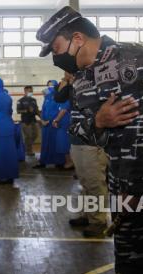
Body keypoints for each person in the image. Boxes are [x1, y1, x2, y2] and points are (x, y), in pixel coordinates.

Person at [37, 6, 143, 274]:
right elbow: (75, 129)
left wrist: (131, 192)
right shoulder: (82, 80)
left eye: (57, 49)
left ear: (78, 39)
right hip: (124, 184)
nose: (56, 58)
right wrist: (99, 121)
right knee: (132, 264)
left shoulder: (133, 58)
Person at [55, 72, 109, 237]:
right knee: (84, 182)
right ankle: (89, 215)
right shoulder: (74, 83)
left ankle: (98, 221)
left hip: (91, 139)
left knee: (94, 182)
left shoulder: (95, 78)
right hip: (77, 138)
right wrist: (66, 80)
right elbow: (59, 97)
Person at [33, 80, 66, 168]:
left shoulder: (58, 98)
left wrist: (50, 120)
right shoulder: (46, 99)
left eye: (51, 86)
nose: (48, 88)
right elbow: (43, 111)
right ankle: (43, 161)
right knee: (45, 144)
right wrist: (42, 120)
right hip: (46, 125)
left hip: (54, 125)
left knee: (56, 143)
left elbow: (59, 111)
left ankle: (59, 162)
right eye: (48, 86)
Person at [52, 76, 74, 169]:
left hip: (65, 121)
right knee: (63, 142)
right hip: (63, 122)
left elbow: (63, 110)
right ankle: (68, 161)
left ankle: (70, 162)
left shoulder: (68, 96)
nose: (60, 83)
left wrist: (56, 120)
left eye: (63, 81)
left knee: (64, 142)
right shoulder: (62, 96)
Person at [16, 85, 40, 156]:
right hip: (25, 121)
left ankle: (26, 146)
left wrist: (41, 118)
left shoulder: (34, 100)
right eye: (29, 91)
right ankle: (29, 151)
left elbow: (36, 110)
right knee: (28, 136)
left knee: (36, 134)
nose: (31, 92)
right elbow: (18, 111)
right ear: (25, 91)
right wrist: (27, 110)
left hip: (33, 120)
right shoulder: (20, 101)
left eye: (32, 91)